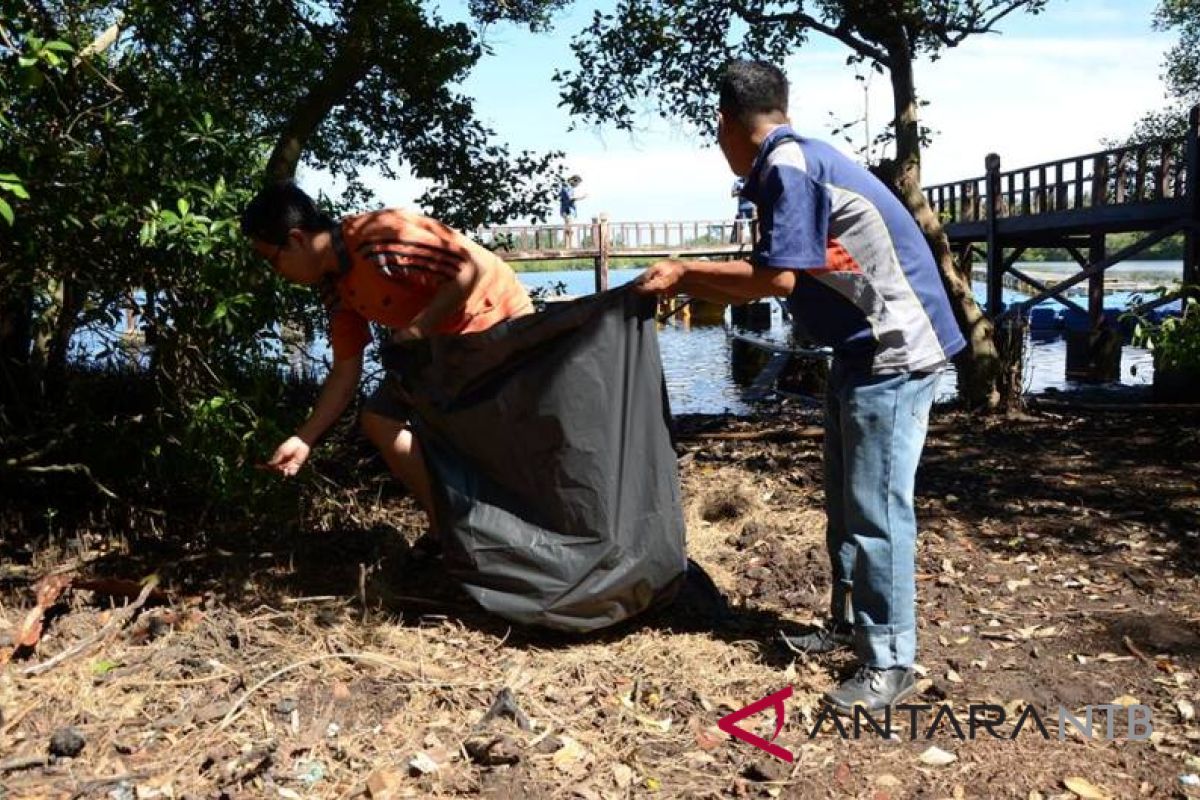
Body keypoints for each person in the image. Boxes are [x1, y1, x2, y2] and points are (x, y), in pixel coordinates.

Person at [634, 60, 966, 712]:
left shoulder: (788, 167)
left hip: (894, 353)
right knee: (847, 503)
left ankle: (890, 662)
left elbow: (776, 279)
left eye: (718, 131)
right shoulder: (796, 159)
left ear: (726, 124)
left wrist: (680, 273)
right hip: (860, 348)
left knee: (876, 511)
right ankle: (849, 626)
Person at [240, 181, 534, 531]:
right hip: (441, 347)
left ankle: (510, 532)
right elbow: (346, 372)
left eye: (273, 261)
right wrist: (305, 438)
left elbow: (471, 270)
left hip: (496, 323)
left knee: (475, 436)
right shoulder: (334, 286)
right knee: (380, 418)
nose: (278, 275)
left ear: (297, 239)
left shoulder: (378, 238)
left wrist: (417, 330)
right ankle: (450, 530)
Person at [559, 174, 586, 248]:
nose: (577, 185)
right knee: (570, 228)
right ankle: (570, 246)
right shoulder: (567, 187)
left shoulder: (568, 187)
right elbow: (570, 198)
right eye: (577, 183)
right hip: (567, 210)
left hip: (568, 210)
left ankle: (569, 246)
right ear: (574, 181)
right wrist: (582, 197)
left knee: (569, 227)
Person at [730, 176, 755, 243]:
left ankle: (754, 246)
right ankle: (742, 246)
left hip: (752, 208)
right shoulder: (737, 182)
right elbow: (732, 194)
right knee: (741, 227)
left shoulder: (754, 179)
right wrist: (741, 192)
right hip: (742, 208)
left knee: (753, 227)